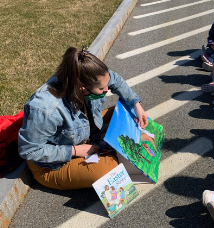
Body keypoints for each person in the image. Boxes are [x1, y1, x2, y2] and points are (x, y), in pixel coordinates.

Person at [18, 46, 148, 190]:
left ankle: (106, 151)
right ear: (82, 87)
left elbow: (114, 80)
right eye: (101, 89)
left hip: (83, 134)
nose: (107, 89)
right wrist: (76, 151)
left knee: (130, 112)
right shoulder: (45, 109)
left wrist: (136, 104)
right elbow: (29, 151)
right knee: (110, 171)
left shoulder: (86, 75)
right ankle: (106, 157)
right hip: (52, 165)